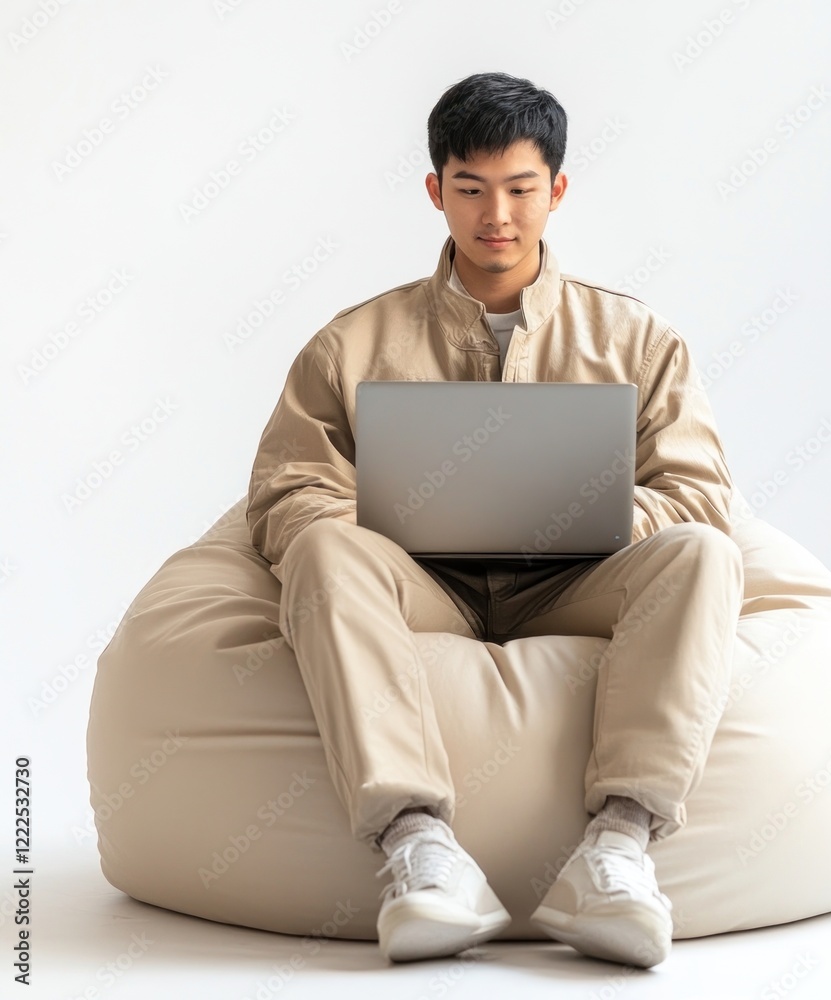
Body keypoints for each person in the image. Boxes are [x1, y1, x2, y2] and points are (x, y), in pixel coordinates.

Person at [245, 71, 743, 969]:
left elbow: (698, 490)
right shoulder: (349, 343)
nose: (496, 216)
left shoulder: (639, 340)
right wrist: (396, 517)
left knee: (704, 554)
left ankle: (619, 850)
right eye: (470, 190)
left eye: (520, 189)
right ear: (436, 191)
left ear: (556, 190)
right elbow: (288, 493)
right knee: (322, 546)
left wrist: (593, 517)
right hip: (421, 585)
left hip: (579, 581)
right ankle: (417, 847)